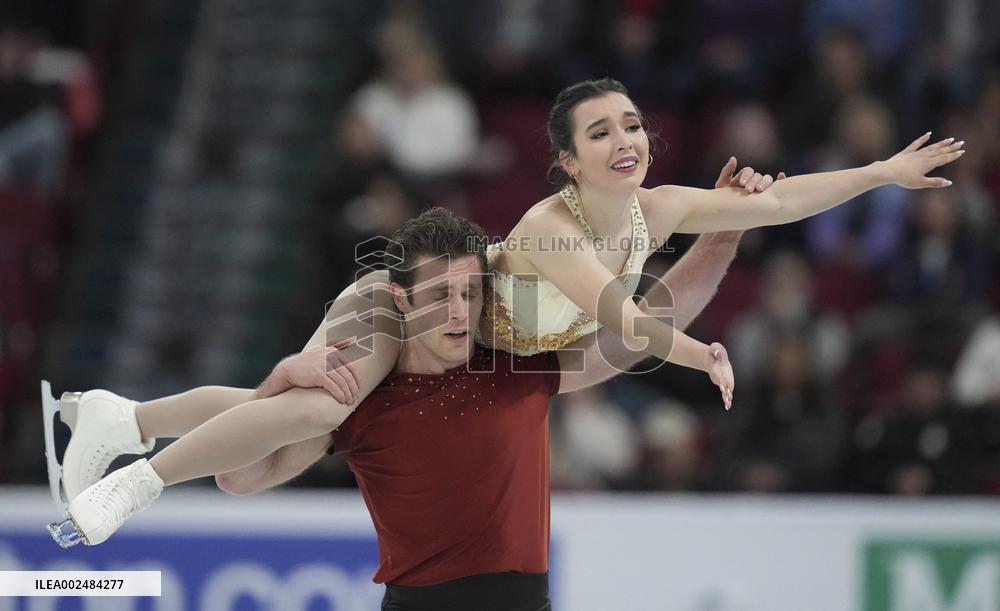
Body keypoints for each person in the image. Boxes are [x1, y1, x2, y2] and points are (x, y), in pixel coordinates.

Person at [51, 75, 960, 544]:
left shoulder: (664, 209)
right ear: (565, 159)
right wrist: (703, 353)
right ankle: (139, 479)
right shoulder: (548, 229)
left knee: (278, 448)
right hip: (411, 306)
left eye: (632, 125)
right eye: (599, 132)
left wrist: (880, 172)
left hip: (461, 354)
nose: (625, 141)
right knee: (316, 408)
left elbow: (777, 203)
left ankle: (119, 416)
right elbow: (621, 317)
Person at [49, 196, 754, 609]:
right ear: (401, 299)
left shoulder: (515, 364)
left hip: (520, 602)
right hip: (419, 606)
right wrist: (284, 378)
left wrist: (722, 235)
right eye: (441, 296)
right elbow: (241, 474)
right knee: (314, 403)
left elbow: (654, 318)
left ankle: (124, 419)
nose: (459, 312)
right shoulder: (360, 401)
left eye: (471, 294)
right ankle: (129, 444)